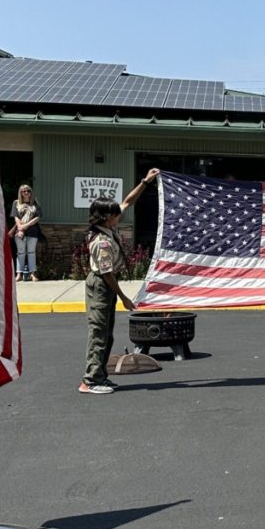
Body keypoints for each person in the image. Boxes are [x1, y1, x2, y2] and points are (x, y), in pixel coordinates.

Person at [79, 168, 159, 395]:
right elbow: (107, 275)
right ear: (106, 217)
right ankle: (90, 380)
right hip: (101, 286)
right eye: (115, 215)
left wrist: (145, 181)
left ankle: (100, 375)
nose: (119, 216)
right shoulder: (101, 241)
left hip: (106, 284)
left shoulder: (107, 226)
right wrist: (123, 297)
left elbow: (127, 201)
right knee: (98, 333)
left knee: (107, 333)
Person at [11, 184, 44, 282]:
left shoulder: (35, 203)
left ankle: (32, 274)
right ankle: (19, 274)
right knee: (20, 253)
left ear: (31, 192)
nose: (26, 193)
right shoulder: (16, 203)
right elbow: (15, 216)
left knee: (31, 252)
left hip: (33, 231)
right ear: (20, 193)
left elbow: (37, 218)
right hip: (19, 232)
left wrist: (25, 226)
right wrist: (20, 228)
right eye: (23, 191)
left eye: (28, 191)